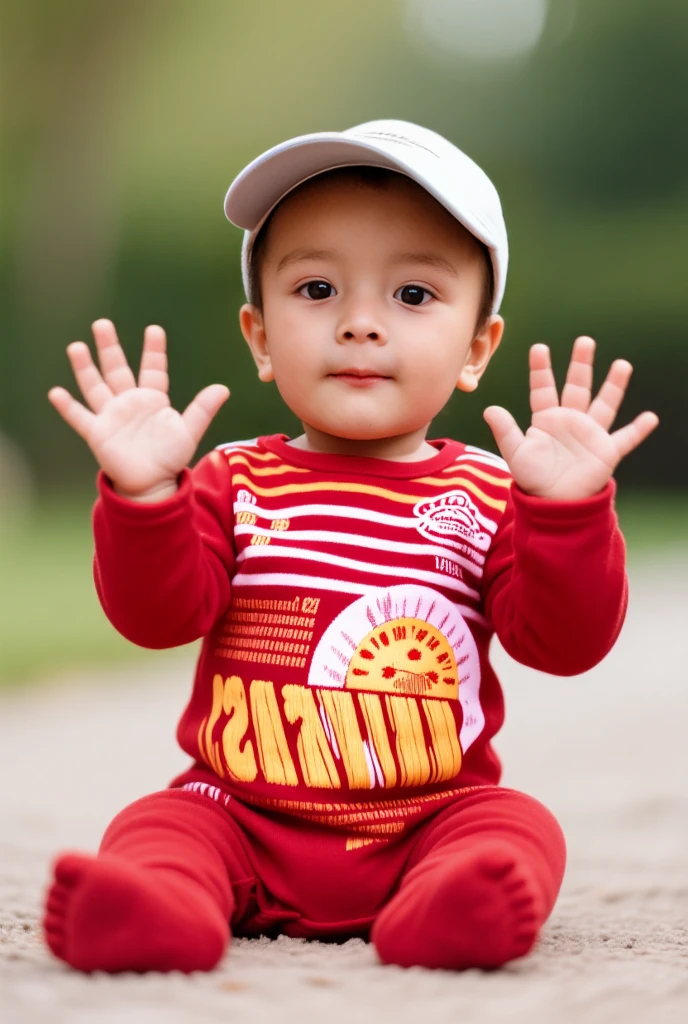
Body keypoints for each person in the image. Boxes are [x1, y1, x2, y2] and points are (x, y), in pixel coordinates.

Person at [42, 120, 659, 974]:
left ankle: (450, 908)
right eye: (318, 288)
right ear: (261, 337)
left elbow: (567, 644)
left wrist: (566, 514)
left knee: (517, 825)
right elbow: (156, 619)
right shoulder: (231, 482)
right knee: (158, 823)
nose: (361, 323)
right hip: (240, 815)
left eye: (413, 294)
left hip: (428, 819)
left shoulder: (488, 494)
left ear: (477, 348)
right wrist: (147, 497)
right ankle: (162, 908)